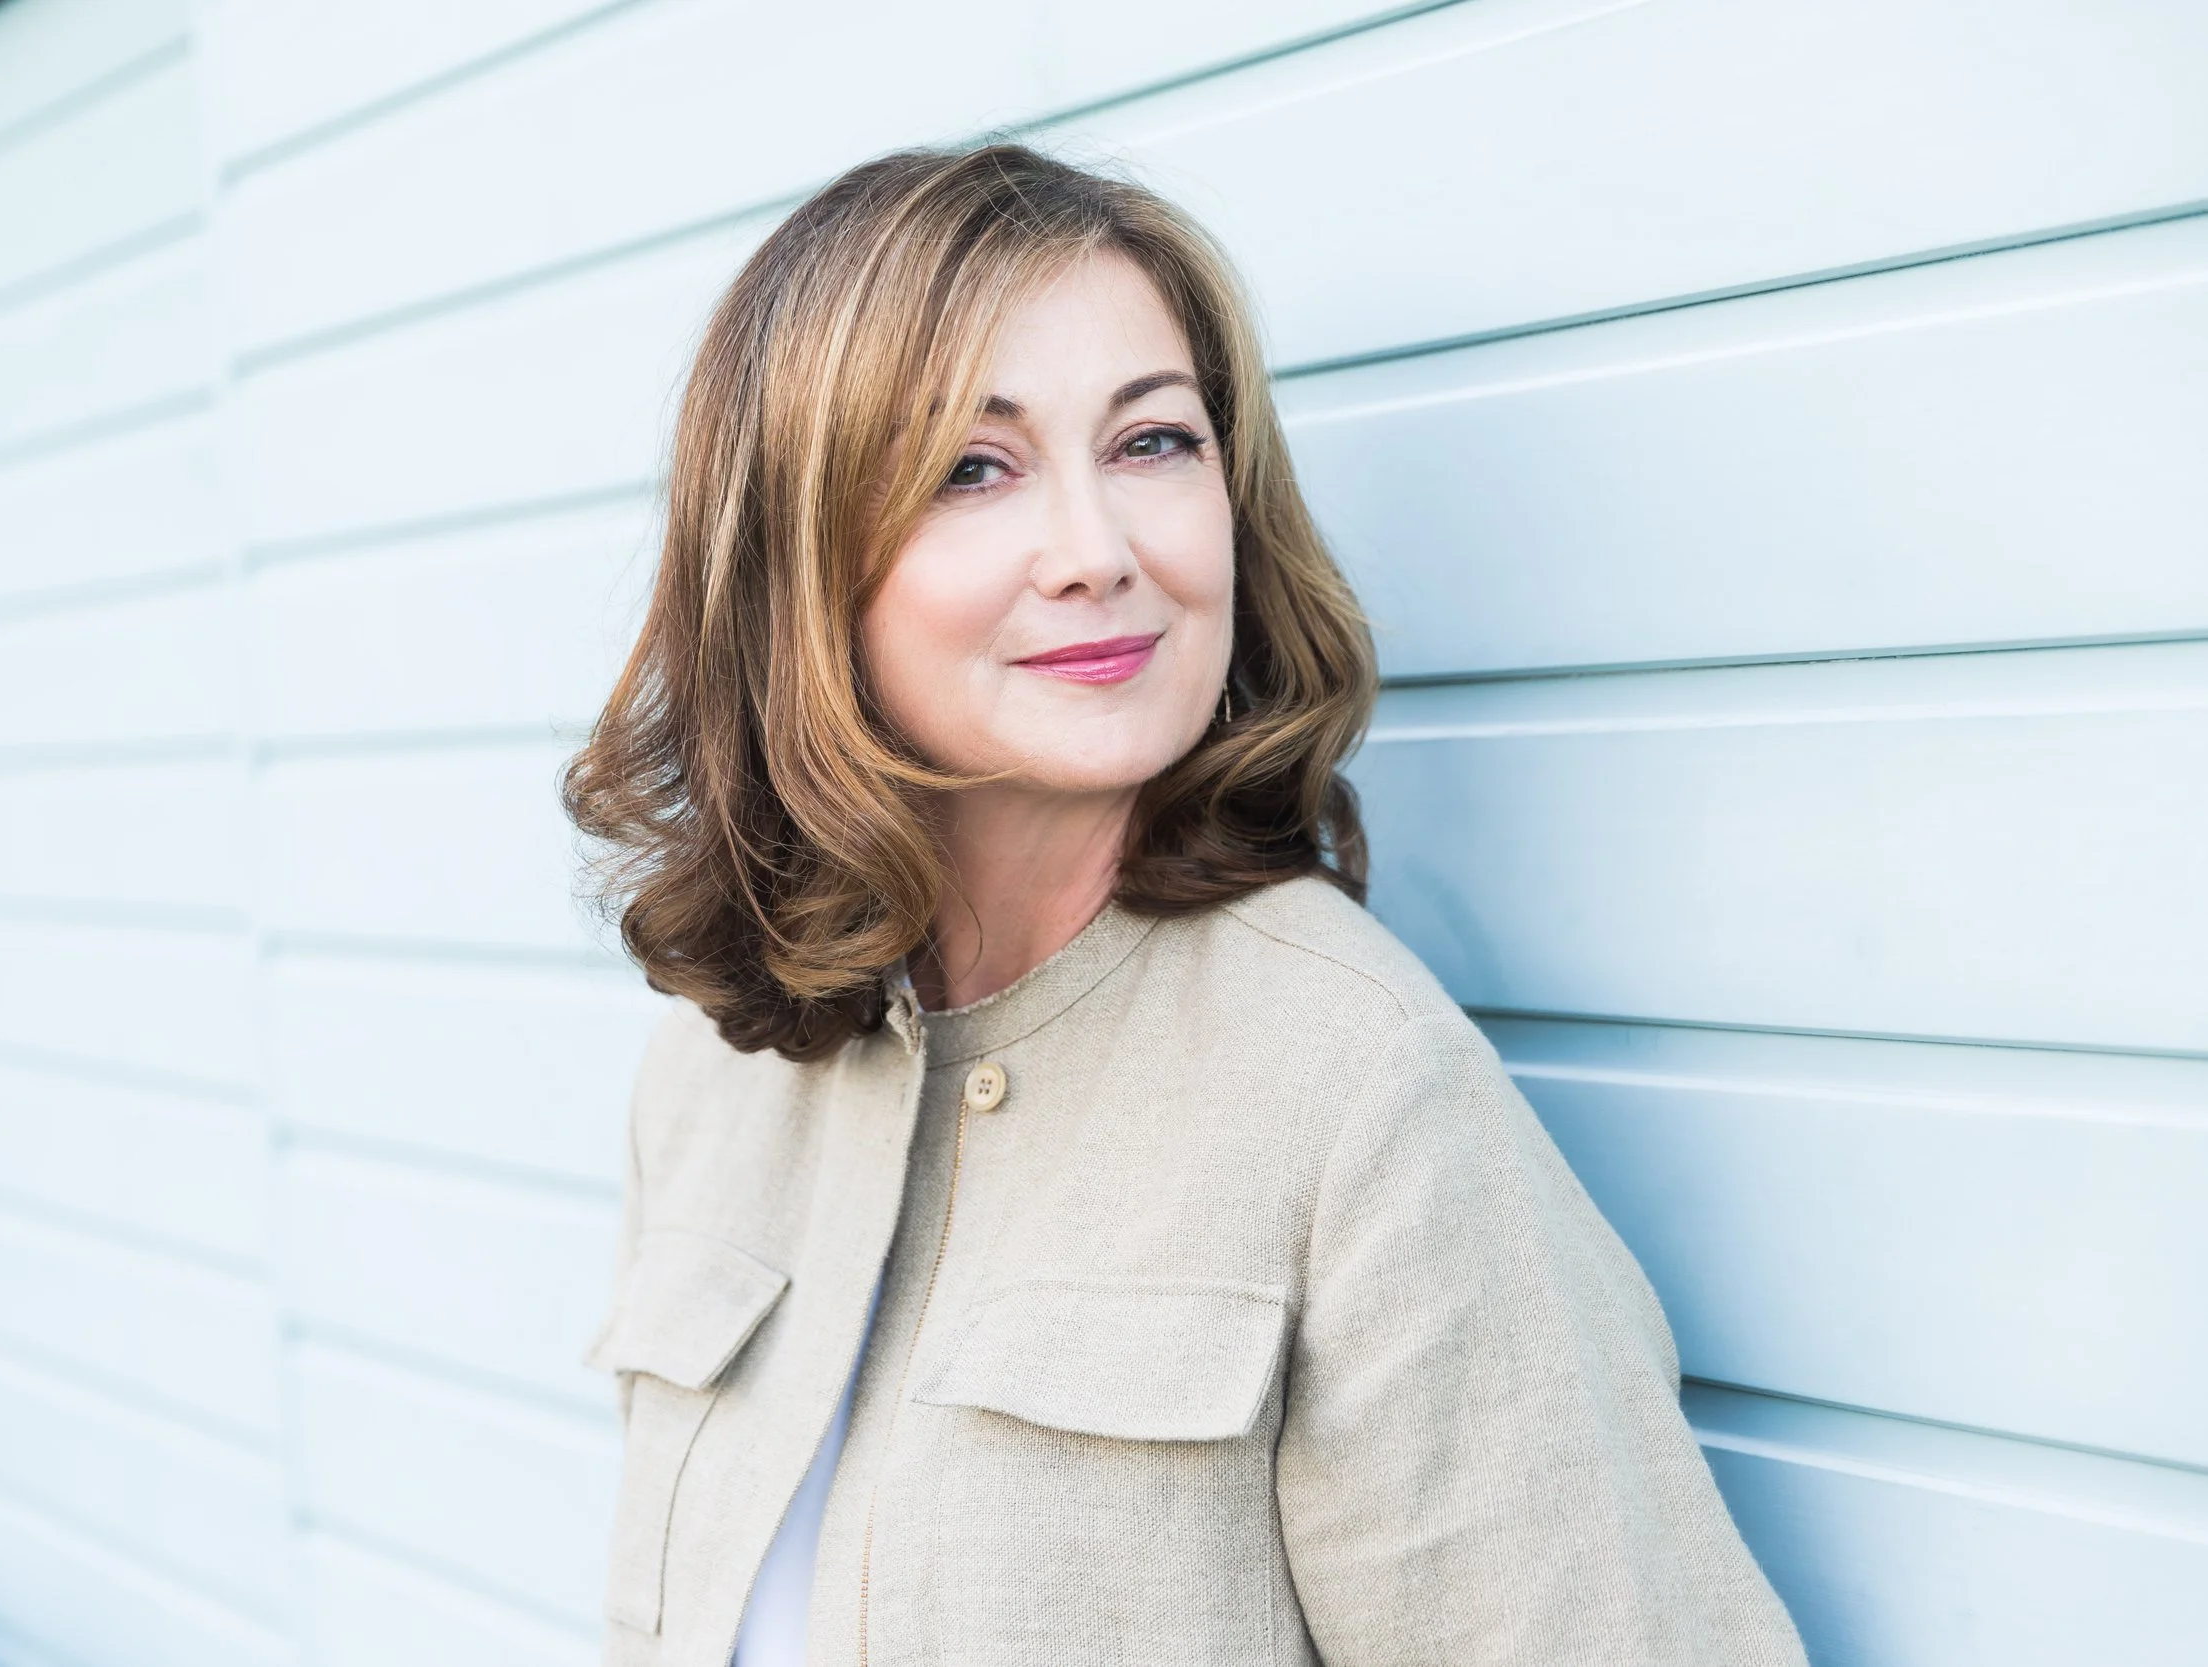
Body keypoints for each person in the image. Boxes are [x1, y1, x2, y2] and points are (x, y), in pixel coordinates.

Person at [563, 144, 1806, 1667]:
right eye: (972, 467)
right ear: (795, 561)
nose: (1099, 555)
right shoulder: (713, 1073)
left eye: (1153, 442)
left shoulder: (1358, 1089)